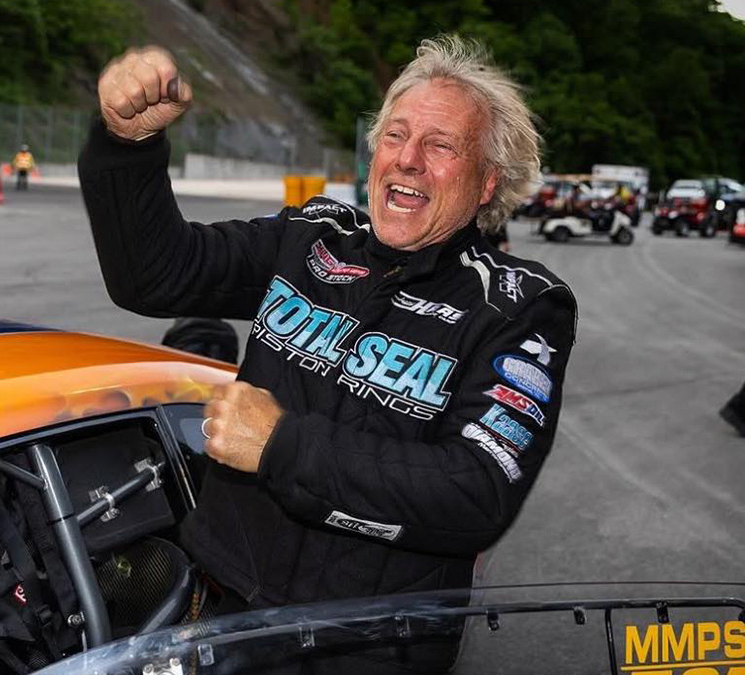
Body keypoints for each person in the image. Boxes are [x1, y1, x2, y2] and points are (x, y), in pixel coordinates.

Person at [79, 35, 577, 673]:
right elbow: (155, 276)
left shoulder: (521, 306)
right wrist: (127, 148)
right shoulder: (312, 237)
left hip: (366, 644)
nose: (408, 160)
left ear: (486, 184)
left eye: (440, 146)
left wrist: (283, 445)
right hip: (222, 601)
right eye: (395, 136)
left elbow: (477, 491)